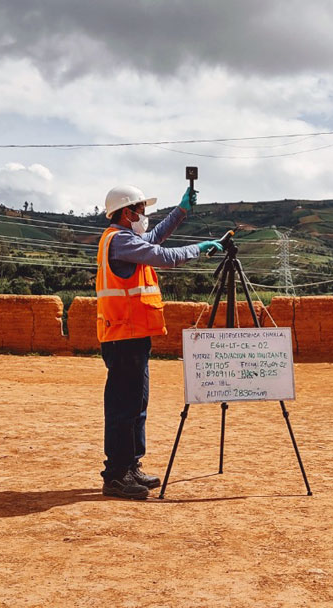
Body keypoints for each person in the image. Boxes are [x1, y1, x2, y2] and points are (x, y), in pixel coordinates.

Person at [96, 184, 223, 499]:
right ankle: (115, 475)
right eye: (141, 209)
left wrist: (181, 212)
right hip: (123, 337)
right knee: (123, 408)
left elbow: (153, 240)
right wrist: (200, 247)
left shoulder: (127, 239)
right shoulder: (120, 241)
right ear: (127, 212)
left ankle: (130, 465)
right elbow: (163, 256)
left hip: (133, 335)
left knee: (137, 404)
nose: (145, 215)